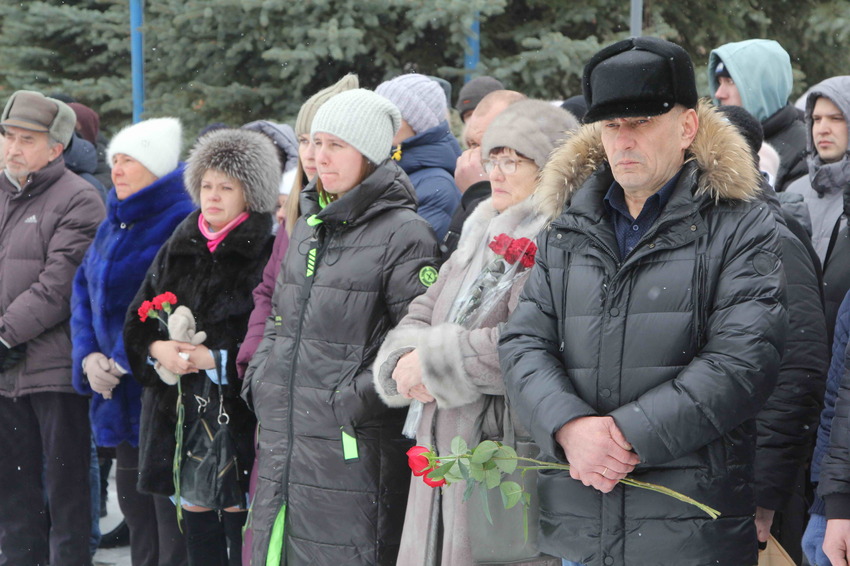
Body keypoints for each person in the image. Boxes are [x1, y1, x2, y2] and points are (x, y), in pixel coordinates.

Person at [499, 37, 787, 566]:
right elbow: (523, 341)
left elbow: (743, 360)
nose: (624, 141)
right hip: (579, 528)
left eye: (642, 123)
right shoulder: (568, 228)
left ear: (687, 127)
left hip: (688, 534)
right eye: (612, 126)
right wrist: (568, 426)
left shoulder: (740, 225)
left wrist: (625, 434)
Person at [373, 98, 577, 565]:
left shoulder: (557, 239)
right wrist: (401, 359)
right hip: (441, 434)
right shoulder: (482, 223)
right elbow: (426, 306)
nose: (497, 172)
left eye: (513, 161)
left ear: (548, 169)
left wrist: (433, 363)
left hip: (499, 445)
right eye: (493, 159)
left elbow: (526, 343)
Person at [243, 88, 440, 565]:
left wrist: (351, 402)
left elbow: (413, 341)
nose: (317, 157)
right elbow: (279, 313)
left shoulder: (404, 233)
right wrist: (264, 379)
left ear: (370, 155)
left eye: (336, 146)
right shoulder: (310, 220)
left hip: (353, 448)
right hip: (285, 435)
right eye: (314, 144)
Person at [124, 128, 279, 565]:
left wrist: (222, 358)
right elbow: (136, 317)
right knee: (193, 513)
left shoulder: (266, 248)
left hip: (236, 411)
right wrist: (158, 350)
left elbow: (271, 329)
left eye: (226, 187)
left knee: (236, 512)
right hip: (180, 410)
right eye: (207, 185)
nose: (213, 196)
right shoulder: (182, 239)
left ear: (251, 193)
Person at [235, 74, 358, 565]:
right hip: (281, 401)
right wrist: (256, 363)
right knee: (268, 532)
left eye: (325, 141)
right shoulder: (298, 210)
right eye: (305, 139)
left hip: (331, 415)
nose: (311, 153)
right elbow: (269, 290)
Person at [71, 117, 194, 566]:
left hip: (161, 396)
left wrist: (123, 361)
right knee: (137, 513)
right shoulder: (113, 222)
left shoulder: (182, 219)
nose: (117, 170)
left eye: (130, 161)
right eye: (115, 160)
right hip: (117, 397)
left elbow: (174, 303)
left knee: (170, 523)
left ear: (157, 167)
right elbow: (82, 291)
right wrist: (88, 357)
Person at [717, 104, 828, 564]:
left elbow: (799, 368)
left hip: (750, 488)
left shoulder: (769, 235)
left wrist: (763, 491)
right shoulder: (712, 228)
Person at [0, 90, 106, 565]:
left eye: (27, 139)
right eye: (7, 136)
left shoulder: (79, 199)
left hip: (55, 372)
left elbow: (59, 285)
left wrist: (4, 335)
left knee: (66, 500)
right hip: (6, 376)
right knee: (14, 501)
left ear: (56, 147)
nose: (12, 148)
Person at [708, 39, 807, 191]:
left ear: (762, 86)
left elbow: (789, 212)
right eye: (719, 82)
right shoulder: (715, 143)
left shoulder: (804, 149)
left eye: (730, 81)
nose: (719, 94)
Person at [441, 89, 526, 258]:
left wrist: (479, 193)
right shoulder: (465, 187)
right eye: (472, 144)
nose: (476, 157)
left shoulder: (542, 200)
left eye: (490, 146)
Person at [376, 73, 462, 240]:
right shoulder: (389, 167)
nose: (381, 122)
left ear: (419, 122)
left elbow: (408, 253)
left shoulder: (437, 186)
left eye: (394, 116)